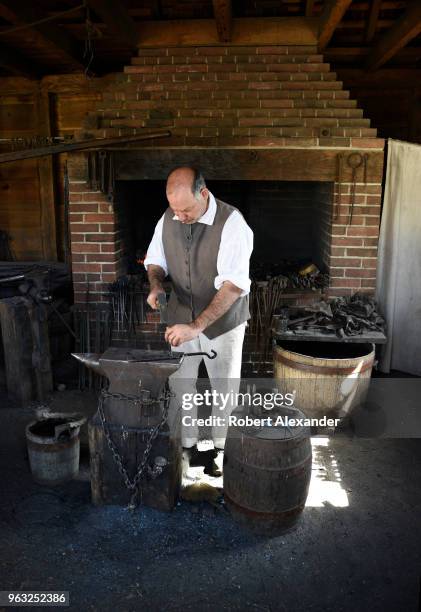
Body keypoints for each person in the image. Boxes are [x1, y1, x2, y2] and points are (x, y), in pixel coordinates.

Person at [144, 167, 253, 474]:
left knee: (224, 390)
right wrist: (156, 285)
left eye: (186, 210)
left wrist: (196, 326)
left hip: (223, 322)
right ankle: (187, 446)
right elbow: (155, 260)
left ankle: (220, 450)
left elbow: (233, 286)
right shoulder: (170, 216)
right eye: (175, 210)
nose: (180, 216)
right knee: (181, 387)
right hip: (181, 317)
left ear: (203, 194)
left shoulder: (233, 223)